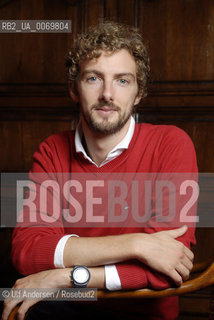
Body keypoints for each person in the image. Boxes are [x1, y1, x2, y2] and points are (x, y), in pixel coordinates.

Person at [2, 21, 197, 320]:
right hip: (67, 309)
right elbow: (28, 251)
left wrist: (64, 277)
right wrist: (137, 244)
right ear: (74, 89)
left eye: (122, 80)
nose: (107, 93)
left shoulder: (171, 144)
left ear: (138, 92)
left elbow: (169, 264)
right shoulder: (52, 151)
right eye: (94, 78)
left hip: (143, 312)